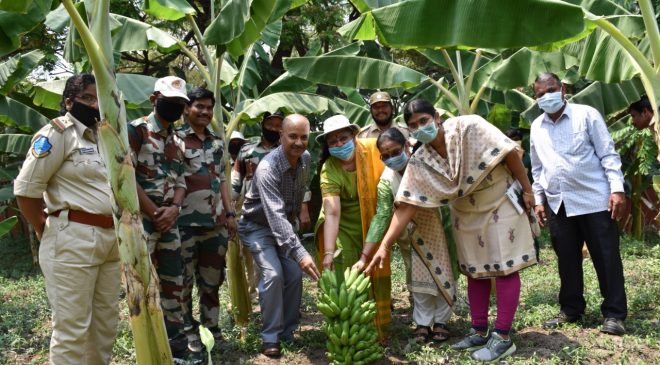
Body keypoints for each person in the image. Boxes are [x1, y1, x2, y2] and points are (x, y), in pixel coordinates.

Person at [367, 99, 538, 362]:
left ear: (436, 117)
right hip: (465, 211)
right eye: (413, 126)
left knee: (505, 267)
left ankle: (503, 337)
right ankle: (479, 330)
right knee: (473, 269)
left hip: (499, 200)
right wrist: (385, 245)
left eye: (424, 121)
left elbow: (509, 153)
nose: (420, 128)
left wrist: (527, 190)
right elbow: (406, 205)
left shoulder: (469, 126)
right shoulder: (421, 159)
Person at [14, 74, 120, 364]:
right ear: (69, 102)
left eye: (98, 97)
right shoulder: (58, 134)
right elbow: (25, 191)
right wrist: (43, 228)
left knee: (105, 326)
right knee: (72, 331)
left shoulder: (105, 136)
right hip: (73, 236)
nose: (95, 104)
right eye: (87, 98)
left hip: (111, 241)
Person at [530, 73, 627, 336]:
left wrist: (616, 189)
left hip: (594, 199)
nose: (546, 96)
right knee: (567, 260)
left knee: (606, 257)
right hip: (558, 203)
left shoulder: (587, 115)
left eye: (551, 89)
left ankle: (615, 314)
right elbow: (537, 169)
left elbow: (608, 153)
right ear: (535, 98)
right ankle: (571, 309)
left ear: (562, 88)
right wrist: (539, 201)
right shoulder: (536, 127)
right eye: (540, 94)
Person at [359, 127, 456, 343]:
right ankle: (422, 323)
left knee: (446, 271)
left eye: (395, 151)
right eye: (386, 155)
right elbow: (382, 215)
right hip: (411, 235)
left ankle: (441, 321)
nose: (391, 158)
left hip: (441, 226)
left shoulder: (426, 165)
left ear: (406, 146)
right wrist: (366, 255)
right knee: (417, 276)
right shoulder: (386, 181)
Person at [238, 114, 320, 357]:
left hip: (284, 225)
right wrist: (301, 252)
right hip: (257, 226)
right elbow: (274, 216)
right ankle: (270, 337)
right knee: (273, 274)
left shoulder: (305, 159)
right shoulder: (267, 168)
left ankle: (288, 332)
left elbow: (296, 198)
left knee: (294, 273)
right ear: (281, 137)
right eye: (292, 136)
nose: (298, 142)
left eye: (304, 137)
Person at [127, 76, 191, 361]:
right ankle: (149, 343)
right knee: (143, 283)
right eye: (170, 102)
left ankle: (176, 345)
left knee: (173, 283)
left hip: (170, 221)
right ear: (154, 99)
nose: (175, 108)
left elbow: (181, 181)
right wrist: (154, 212)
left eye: (180, 104)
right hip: (142, 220)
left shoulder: (178, 140)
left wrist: (174, 209)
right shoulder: (137, 131)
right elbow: (125, 175)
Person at [314, 114, 391, 342]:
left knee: (374, 270)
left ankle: (376, 327)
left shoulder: (375, 152)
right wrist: (328, 252)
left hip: (374, 220)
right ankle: (348, 328)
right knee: (345, 274)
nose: (338, 144)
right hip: (342, 227)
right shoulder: (330, 168)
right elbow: (332, 211)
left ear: (354, 135)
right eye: (332, 141)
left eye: (343, 138)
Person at [176, 87, 236, 355]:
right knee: (184, 283)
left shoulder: (216, 142)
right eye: (199, 106)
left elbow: (222, 180)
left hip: (215, 226)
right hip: (184, 225)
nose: (205, 112)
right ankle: (190, 332)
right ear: (187, 108)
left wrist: (230, 213)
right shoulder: (175, 139)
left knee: (212, 282)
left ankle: (212, 329)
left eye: (209, 108)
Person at [232, 112, 312, 297]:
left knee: (291, 273)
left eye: (278, 125)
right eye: (271, 125)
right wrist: (229, 210)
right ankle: (269, 316)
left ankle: (288, 317)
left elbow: (301, 184)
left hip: (285, 218)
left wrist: (304, 208)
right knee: (270, 273)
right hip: (258, 217)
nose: (274, 129)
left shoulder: (299, 154)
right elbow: (236, 182)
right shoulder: (250, 151)